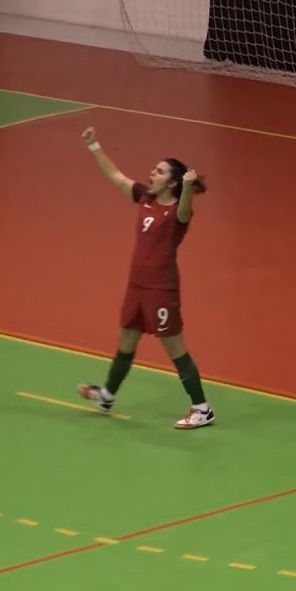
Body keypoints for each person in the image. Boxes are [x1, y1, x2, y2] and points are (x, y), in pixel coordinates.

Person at [74, 127, 215, 430]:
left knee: (174, 347)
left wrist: (188, 187)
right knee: (126, 340)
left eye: (160, 171)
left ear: (173, 182)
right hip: (136, 286)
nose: (153, 172)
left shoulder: (178, 212)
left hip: (161, 289)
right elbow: (117, 177)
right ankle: (107, 396)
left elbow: (186, 206)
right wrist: (94, 145)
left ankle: (202, 408)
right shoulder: (144, 198)